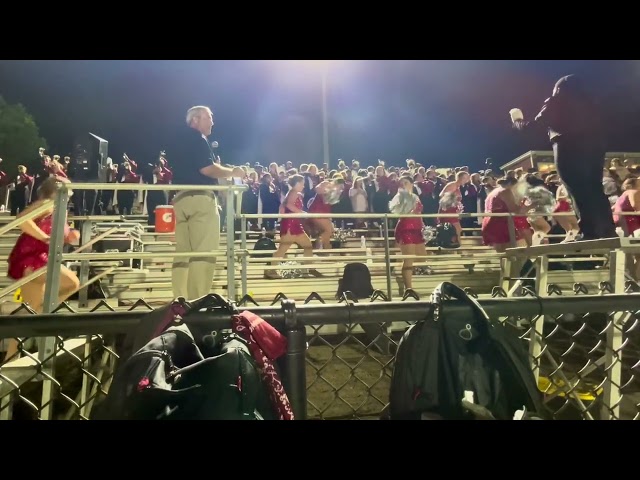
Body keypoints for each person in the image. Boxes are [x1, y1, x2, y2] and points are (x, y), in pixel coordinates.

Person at [511, 74, 616, 240]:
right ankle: (607, 229)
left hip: (568, 146)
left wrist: (517, 120)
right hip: (595, 145)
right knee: (595, 188)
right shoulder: (592, 103)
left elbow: (533, 127)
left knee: (576, 188)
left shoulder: (557, 101)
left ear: (558, 89)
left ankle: (589, 231)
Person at [170, 105, 244, 300]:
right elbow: (207, 169)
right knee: (203, 253)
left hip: (179, 198)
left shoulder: (177, 140)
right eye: (209, 117)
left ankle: (179, 300)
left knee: (182, 253)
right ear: (195, 120)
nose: (212, 121)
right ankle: (197, 301)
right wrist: (233, 172)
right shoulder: (198, 139)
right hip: (200, 198)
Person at [5, 176, 80, 363]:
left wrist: (70, 236)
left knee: (30, 312)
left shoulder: (58, 209)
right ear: (58, 189)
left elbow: (60, 234)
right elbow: (23, 220)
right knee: (72, 283)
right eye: (69, 189)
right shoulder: (49, 203)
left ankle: (9, 360)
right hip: (34, 260)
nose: (72, 193)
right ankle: (41, 318)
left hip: (40, 260)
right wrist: (44, 238)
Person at [390, 175, 426, 291]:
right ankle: (408, 288)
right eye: (401, 183)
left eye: (405, 182)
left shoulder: (415, 196)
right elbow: (399, 213)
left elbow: (419, 213)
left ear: (411, 184)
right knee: (409, 259)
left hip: (417, 228)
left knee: (422, 257)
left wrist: (423, 226)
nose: (403, 184)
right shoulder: (399, 197)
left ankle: (400, 267)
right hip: (406, 228)